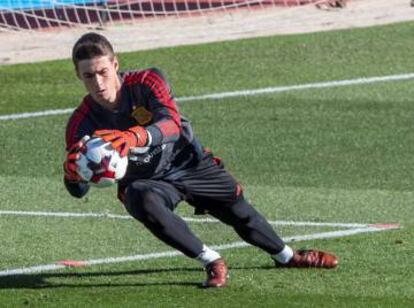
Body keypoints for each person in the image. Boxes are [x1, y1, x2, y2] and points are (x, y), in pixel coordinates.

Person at [63, 32, 338, 288]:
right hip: (148, 181)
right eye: (88, 76)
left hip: (188, 162)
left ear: (115, 64)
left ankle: (287, 257)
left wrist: (135, 137)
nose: (98, 83)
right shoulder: (81, 122)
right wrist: (73, 176)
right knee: (138, 198)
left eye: (103, 72)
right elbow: (79, 190)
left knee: (238, 209)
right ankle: (211, 260)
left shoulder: (147, 81)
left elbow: (170, 124)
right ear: (78, 75)